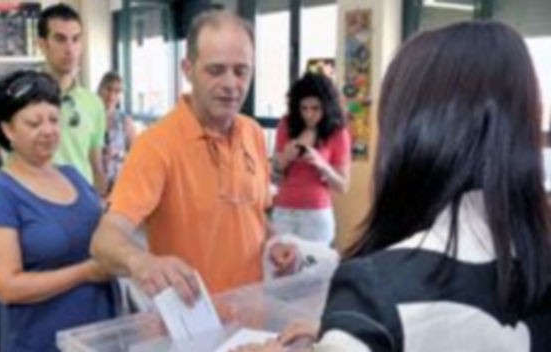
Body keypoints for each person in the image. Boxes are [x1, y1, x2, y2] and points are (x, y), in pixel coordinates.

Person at [234, 21, 551, 352]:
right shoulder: (534, 264)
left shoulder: (374, 295)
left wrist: (353, 333)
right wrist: (341, 333)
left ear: (411, 136)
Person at [90, 10, 298, 301]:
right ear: (187, 69)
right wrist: (141, 262)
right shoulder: (156, 145)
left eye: (241, 71)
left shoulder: (252, 133)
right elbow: (104, 241)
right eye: (216, 70)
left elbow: (254, 215)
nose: (231, 83)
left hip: (252, 313)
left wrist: (275, 243)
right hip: (191, 317)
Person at [0, 70, 116, 352]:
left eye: (53, 119)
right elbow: (6, 287)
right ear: (8, 130)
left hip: (98, 334)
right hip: (40, 340)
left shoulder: (73, 176)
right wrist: (86, 272)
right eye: (34, 123)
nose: (48, 130)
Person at [0, 3, 107, 195]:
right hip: (27, 204)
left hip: (80, 204)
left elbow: (96, 168)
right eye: (60, 39)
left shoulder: (93, 103)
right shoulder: (11, 97)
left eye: (76, 39)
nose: (70, 49)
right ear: (42, 44)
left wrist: (100, 202)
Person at [271, 73, 350, 245]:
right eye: (304, 108)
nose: (309, 114)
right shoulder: (286, 125)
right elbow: (273, 177)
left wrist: (323, 166)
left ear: (327, 106)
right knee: (278, 260)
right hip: (284, 212)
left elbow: (343, 186)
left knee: (315, 262)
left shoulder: (337, 132)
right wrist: (284, 159)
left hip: (317, 215)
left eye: (315, 108)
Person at [98, 71, 137, 192]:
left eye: (117, 91)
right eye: (108, 89)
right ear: (100, 89)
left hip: (118, 185)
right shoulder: (89, 117)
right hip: (93, 182)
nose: (111, 95)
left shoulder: (125, 121)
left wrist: (117, 154)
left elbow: (137, 154)